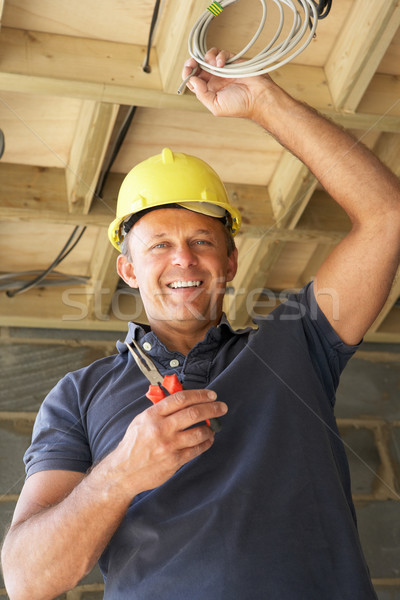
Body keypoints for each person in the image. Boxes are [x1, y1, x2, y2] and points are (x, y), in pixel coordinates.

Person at [2, 48, 400, 600]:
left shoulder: (299, 344)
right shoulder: (78, 395)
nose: (183, 260)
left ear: (231, 262)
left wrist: (264, 101)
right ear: (128, 270)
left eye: (202, 243)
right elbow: (27, 580)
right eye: (160, 246)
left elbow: (386, 215)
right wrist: (123, 472)